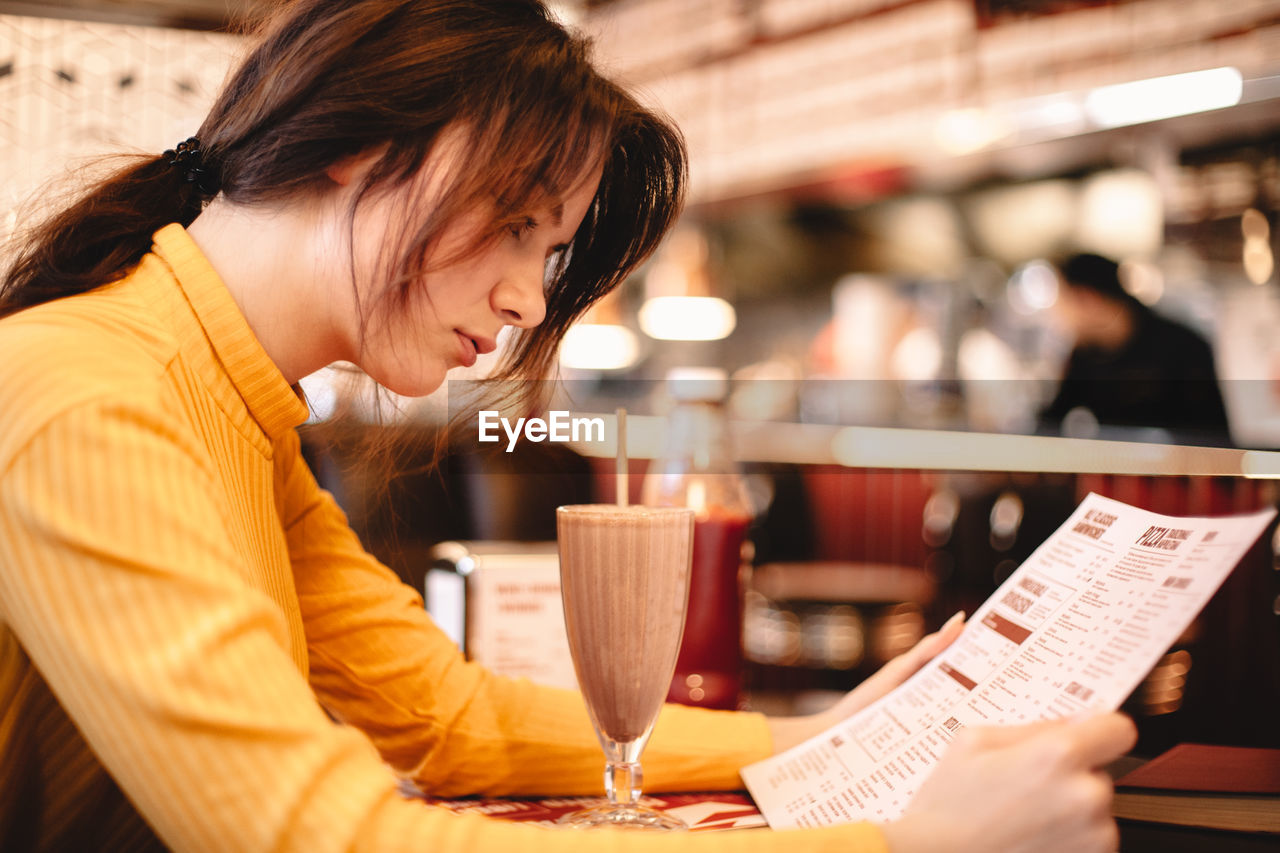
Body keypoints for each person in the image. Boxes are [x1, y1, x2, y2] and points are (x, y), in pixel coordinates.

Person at [0, 2, 1134, 851]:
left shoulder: (228, 398)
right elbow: (325, 838)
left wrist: (819, 745)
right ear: (347, 144)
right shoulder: (92, 391)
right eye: (516, 223)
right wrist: (902, 843)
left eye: (548, 256)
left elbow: (446, 718)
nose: (530, 301)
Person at [1041, 252, 1231, 442]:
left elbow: (1212, 436)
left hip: (1179, 468)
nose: (1055, 311)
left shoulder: (1183, 347)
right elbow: (1050, 424)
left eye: (1060, 299)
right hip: (1116, 467)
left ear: (1088, 299)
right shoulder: (1086, 353)